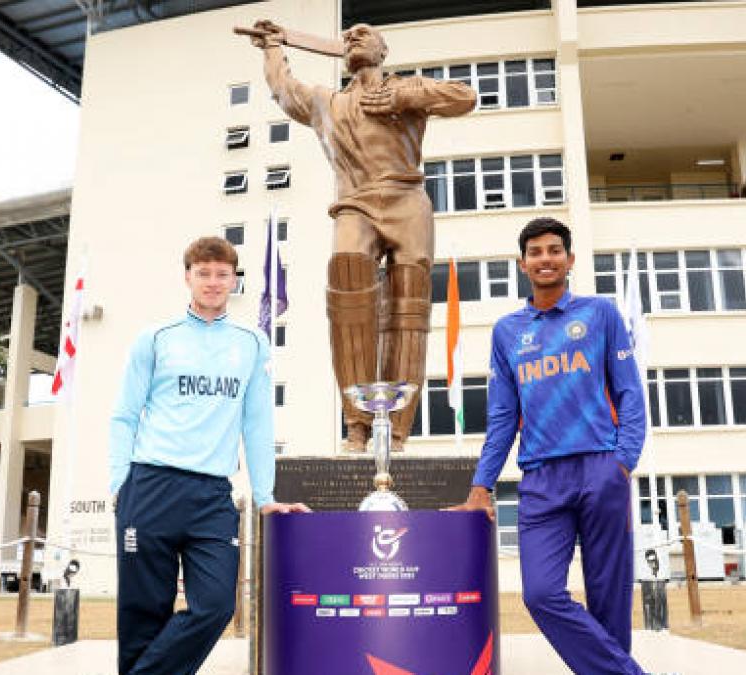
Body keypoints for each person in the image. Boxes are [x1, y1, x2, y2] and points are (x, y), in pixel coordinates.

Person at [249, 20, 476, 451]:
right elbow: (284, 89)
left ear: (382, 50)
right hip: (355, 202)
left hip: (408, 201)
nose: (354, 37)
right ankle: (357, 424)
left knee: (408, 310)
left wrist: (408, 93)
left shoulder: (406, 91)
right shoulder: (326, 102)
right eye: (349, 34)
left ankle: (398, 433)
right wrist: (273, 48)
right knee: (347, 274)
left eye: (364, 33)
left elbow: (465, 97)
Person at [452, 218, 647, 674]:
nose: (546, 258)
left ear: (570, 260)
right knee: (540, 594)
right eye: (536, 252)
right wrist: (482, 483)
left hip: (601, 469)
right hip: (540, 480)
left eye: (554, 250)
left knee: (608, 601)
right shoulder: (507, 332)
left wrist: (623, 462)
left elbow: (630, 393)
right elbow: (502, 416)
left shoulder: (600, 314)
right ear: (523, 264)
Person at [109, 236, 310, 675]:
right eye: (204, 273)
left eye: (222, 274)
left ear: (234, 279)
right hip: (150, 487)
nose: (214, 282)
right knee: (144, 616)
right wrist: (119, 484)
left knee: (217, 605)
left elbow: (257, 423)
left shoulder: (252, 343)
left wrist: (264, 494)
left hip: (211, 495)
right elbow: (124, 416)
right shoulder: (155, 339)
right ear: (187, 277)